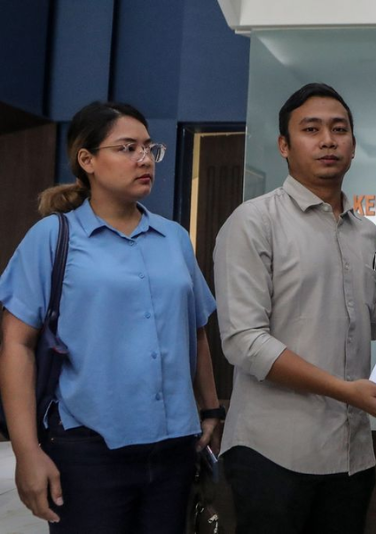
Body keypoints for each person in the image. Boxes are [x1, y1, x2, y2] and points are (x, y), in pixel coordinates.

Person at [213, 83, 376, 534]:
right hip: (272, 452)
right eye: (311, 130)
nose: (328, 141)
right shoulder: (254, 221)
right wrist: (343, 390)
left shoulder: (365, 232)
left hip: (351, 453)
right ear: (284, 145)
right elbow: (244, 341)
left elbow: (365, 312)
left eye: (339, 129)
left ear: (353, 144)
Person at [0, 102, 222, 533]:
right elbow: (16, 344)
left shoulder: (174, 238)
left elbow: (195, 331)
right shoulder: (53, 237)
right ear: (87, 160)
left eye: (149, 148)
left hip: (174, 448)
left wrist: (211, 409)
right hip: (88, 450)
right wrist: (27, 452)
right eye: (127, 148)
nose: (144, 159)